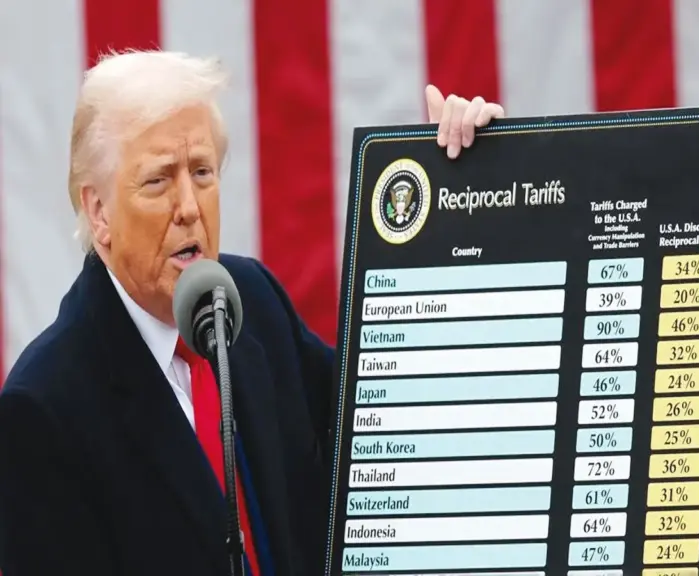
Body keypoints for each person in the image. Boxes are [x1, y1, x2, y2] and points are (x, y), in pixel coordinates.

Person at [0, 50, 504, 576]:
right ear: (99, 212)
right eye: (158, 181)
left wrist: (459, 200)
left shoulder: (252, 300)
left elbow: (389, 429)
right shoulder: (43, 410)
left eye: (201, 172)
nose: (189, 207)